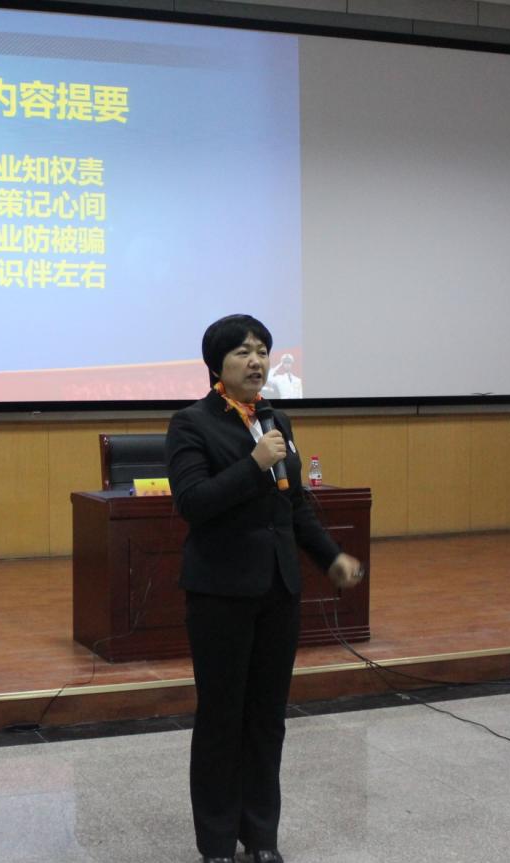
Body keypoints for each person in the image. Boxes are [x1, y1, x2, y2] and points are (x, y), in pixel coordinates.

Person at [166, 314, 364, 863]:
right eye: (243, 352)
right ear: (217, 365)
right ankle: (215, 843)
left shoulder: (277, 420)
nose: (256, 362)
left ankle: (261, 837)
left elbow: (294, 506)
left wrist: (330, 558)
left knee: (267, 718)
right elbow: (193, 503)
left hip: (278, 589)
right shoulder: (191, 424)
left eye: (262, 351)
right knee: (221, 717)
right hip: (220, 591)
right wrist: (254, 464)